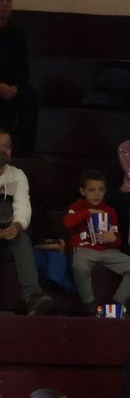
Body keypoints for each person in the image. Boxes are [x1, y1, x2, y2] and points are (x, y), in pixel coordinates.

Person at [63, 168, 130, 317]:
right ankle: (89, 304)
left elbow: (117, 241)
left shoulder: (109, 211)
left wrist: (112, 238)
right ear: (83, 191)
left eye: (100, 190)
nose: (96, 194)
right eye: (92, 190)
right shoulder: (77, 207)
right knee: (79, 265)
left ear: (105, 191)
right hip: (84, 249)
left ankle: (117, 303)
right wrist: (89, 213)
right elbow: (68, 222)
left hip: (108, 251)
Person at [0, 129, 51, 314]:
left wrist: (16, 226)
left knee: (22, 238)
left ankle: (32, 298)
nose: (3, 150)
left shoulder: (17, 175)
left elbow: (23, 208)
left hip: (8, 234)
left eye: (6, 146)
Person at [0, 0, 38, 157]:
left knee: (30, 95)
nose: (5, 4)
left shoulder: (17, 33)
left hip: (11, 87)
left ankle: (23, 152)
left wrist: (15, 87)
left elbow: (24, 68)